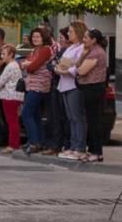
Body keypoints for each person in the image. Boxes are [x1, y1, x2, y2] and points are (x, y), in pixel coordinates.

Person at [55, 21, 88, 161]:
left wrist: (66, 70)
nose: (68, 34)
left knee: (77, 117)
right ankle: (73, 146)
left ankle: (79, 147)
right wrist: (58, 69)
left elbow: (78, 66)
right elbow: (63, 62)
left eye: (71, 32)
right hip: (64, 84)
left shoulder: (81, 48)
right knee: (70, 117)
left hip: (74, 84)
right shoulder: (70, 47)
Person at [18, 27, 53, 154]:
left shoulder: (45, 50)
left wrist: (27, 64)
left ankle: (34, 142)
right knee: (35, 115)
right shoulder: (35, 50)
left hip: (39, 86)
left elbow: (32, 67)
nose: (35, 39)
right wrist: (27, 64)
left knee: (26, 113)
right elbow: (22, 63)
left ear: (44, 37)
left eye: (38, 37)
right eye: (33, 37)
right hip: (30, 85)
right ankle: (39, 141)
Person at [76, 29, 108, 163]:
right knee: (91, 120)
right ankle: (93, 150)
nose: (83, 40)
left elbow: (81, 70)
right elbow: (77, 64)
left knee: (95, 122)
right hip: (88, 88)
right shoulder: (90, 51)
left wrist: (77, 70)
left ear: (94, 40)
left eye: (86, 37)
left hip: (94, 89)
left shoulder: (97, 52)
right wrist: (83, 54)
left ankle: (96, 151)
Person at [44, 27, 71, 156]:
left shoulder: (68, 51)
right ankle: (57, 144)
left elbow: (59, 67)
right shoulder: (60, 51)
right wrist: (55, 66)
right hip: (56, 84)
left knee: (62, 117)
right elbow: (51, 64)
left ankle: (64, 144)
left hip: (62, 85)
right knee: (55, 117)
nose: (59, 40)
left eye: (61, 37)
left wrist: (55, 66)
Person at [0, 44, 24, 155]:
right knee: (14, 120)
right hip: (14, 96)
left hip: (10, 96)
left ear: (11, 54)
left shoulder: (10, 66)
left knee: (11, 121)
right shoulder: (15, 65)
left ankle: (13, 145)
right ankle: (14, 143)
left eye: (4, 54)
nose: (2, 56)